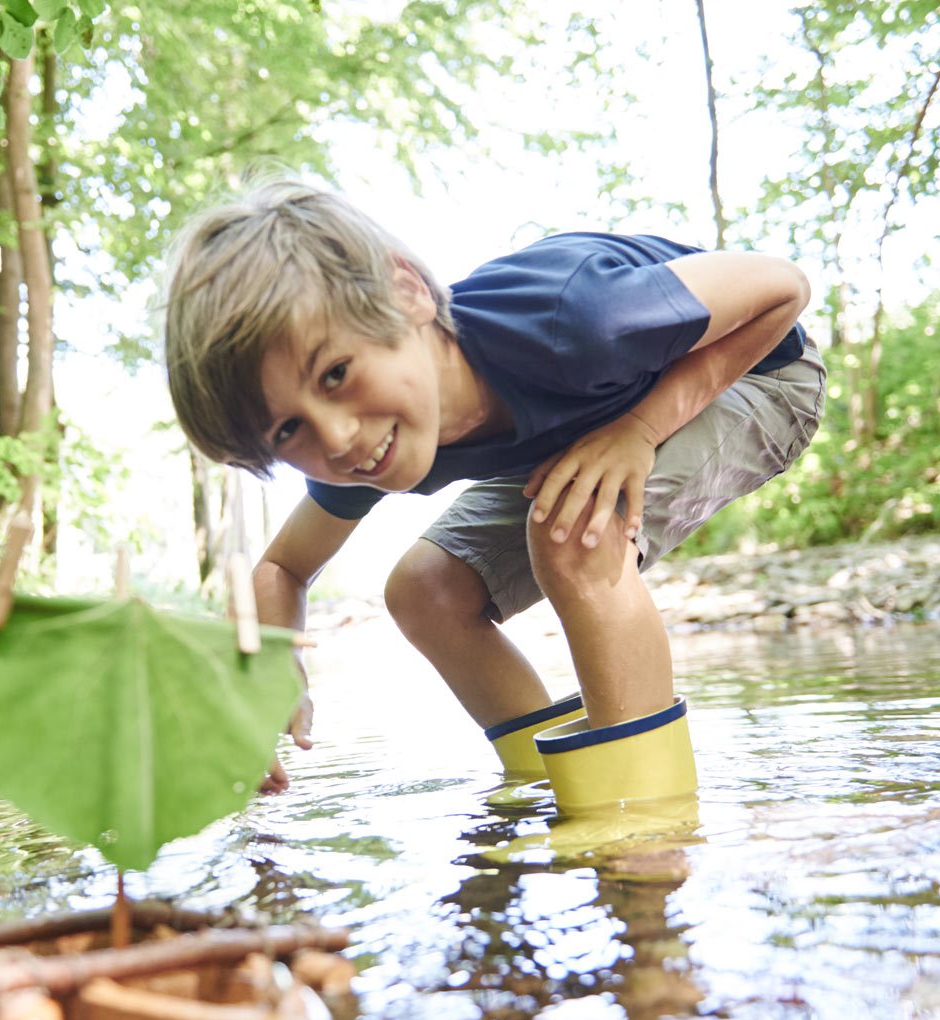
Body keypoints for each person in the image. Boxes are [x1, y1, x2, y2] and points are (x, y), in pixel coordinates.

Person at [163, 179, 824, 803]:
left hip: (759, 373)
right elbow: (283, 566)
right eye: (287, 429)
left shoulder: (577, 321)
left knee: (571, 531)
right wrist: (263, 677)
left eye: (336, 372)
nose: (334, 439)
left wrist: (640, 430)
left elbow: (781, 287)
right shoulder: (376, 438)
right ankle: (547, 789)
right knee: (425, 589)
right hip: (608, 416)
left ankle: (643, 826)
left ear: (406, 294)